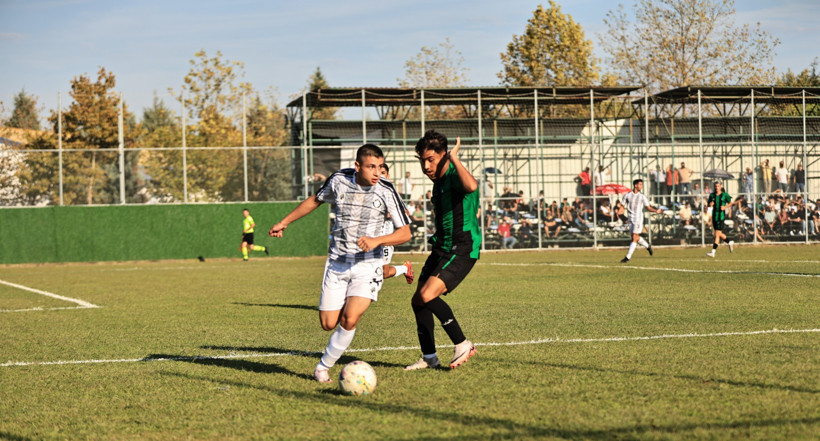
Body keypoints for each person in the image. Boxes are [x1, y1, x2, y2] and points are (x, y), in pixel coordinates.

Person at [268, 144, 411, 383]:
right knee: (328, 323)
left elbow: (405, 232)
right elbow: (315, 200)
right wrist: (285, 222)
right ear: (357, 166)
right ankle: (347, 304)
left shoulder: (386, 190)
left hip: (368, 265)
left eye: (379, 166)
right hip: (337, 263)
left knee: (350, 318)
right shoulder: (339, 179)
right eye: (371, 167)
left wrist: (377, 241)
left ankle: (323, 366)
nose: (377, 172)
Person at [405, 130, 480, 371]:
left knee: (428, 295)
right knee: (418, 301)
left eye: (430, 160)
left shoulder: (454, 175)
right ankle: (429, 357)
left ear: (443, 156)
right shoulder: (437, 183)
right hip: (442, 247)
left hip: (462, 247)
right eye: (422, 161)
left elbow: (472, 186)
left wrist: (455, 158)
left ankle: (462, 343)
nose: (426, 166)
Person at [380, 164, 415, 284]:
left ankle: (405, 268)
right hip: (370, 236)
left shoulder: (391, 192)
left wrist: (390, 214)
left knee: (384, 273)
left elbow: (405, 212)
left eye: (383, 172)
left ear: (388, 176)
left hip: (385, 236)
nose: (380, 175)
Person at [620, 179, 663, 263]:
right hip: (630, 219)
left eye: (642, 185)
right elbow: (622, 206)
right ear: (635, 185)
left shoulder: (642, 196)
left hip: (638, 219)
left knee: (634, 237)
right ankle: (647, 246)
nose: (641, 186)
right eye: (640, 184)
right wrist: (621, 213)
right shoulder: (627, 195)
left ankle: (627, 257)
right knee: (635, 237)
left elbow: (648, 207)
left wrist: (656, 210)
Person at [706, 181, 735, 258]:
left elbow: (731, 203)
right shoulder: (712, 195)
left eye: (718, 186)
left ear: (720, 186)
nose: (717, 187)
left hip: (721, 217)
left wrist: (725, 207)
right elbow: (708, 204)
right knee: (718, 234)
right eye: (715, 186)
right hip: (714, 216)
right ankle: (730, 242)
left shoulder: (725, 195)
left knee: (717, 234)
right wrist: (710, 204)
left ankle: (713, 252)